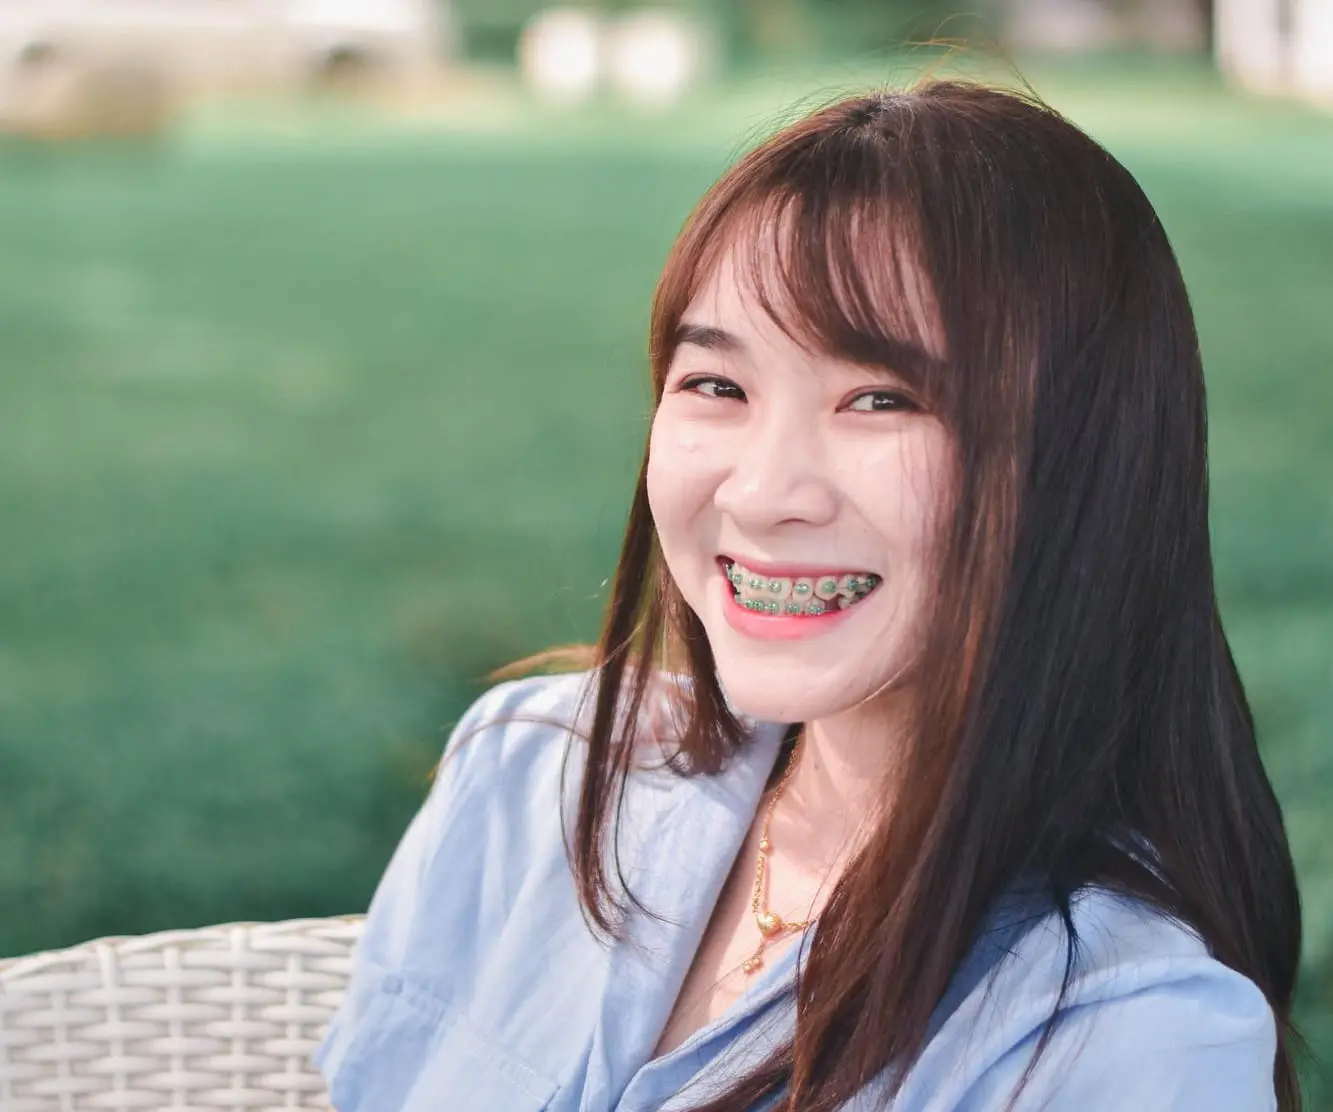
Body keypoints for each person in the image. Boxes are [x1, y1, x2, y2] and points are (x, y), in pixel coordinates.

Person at [313, 80, 1303, 1111]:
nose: (760, 493)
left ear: (1082, 458)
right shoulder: (527, 772)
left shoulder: (1123, 1039)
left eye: (879, 399)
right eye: (717, 386)